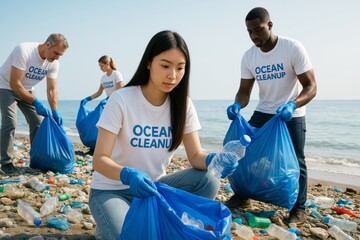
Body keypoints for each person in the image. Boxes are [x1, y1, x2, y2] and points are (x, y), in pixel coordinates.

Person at [88, 30, 238, 239]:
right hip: (111, 191)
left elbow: (195, 156)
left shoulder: (183, 105)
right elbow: (99, 160)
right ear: (149, 63)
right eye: (165, 66)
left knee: (208, 180)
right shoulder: (121, 100)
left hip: (154, 190)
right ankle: (111, 221)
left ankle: (160, 221)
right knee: (129, 235)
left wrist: (215, 159)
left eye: (180, 68)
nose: (172, 75)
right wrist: (128, 175)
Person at [225, 7, 317, 226]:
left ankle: (298, 208)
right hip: (264, 111)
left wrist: (292, 104)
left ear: (270, 25)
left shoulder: (292, 47)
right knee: (243, 151)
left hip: (290, 113)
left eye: (258, 30)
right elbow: (245, 91)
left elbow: (311, 86)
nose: (254, 35)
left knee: (297, 160)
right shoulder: (249, 56)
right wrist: (238, 104)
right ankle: (243, 195)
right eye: (250, 32)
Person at [0, 33, 69, 175]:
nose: (57, 57)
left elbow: (51, 90)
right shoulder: (24, 50)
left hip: (27, 89)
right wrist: (35, 101)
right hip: (6, 86)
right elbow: (15, 83)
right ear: (48, 44)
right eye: (56, 53)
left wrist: (55, 110)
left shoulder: (53, 63)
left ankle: (37, 158)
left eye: (60, 55)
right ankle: (5, 162)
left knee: (38, 122)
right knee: (10, 123)